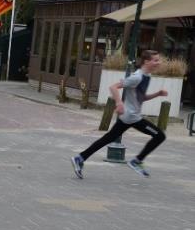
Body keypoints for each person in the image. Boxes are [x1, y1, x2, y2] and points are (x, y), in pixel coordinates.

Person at [71, 50, 167, 178]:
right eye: (155, 60)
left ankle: (80, 157)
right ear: (146, 61)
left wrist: (158, 94)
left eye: (158, 60)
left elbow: (141, 98)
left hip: (129, 117)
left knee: (108, 138)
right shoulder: (137, 77)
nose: (158, 63)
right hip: (132, 117)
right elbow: (113, 87)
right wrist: (119, 103)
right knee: (160, 136)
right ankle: (137, 161)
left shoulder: (146, 77)